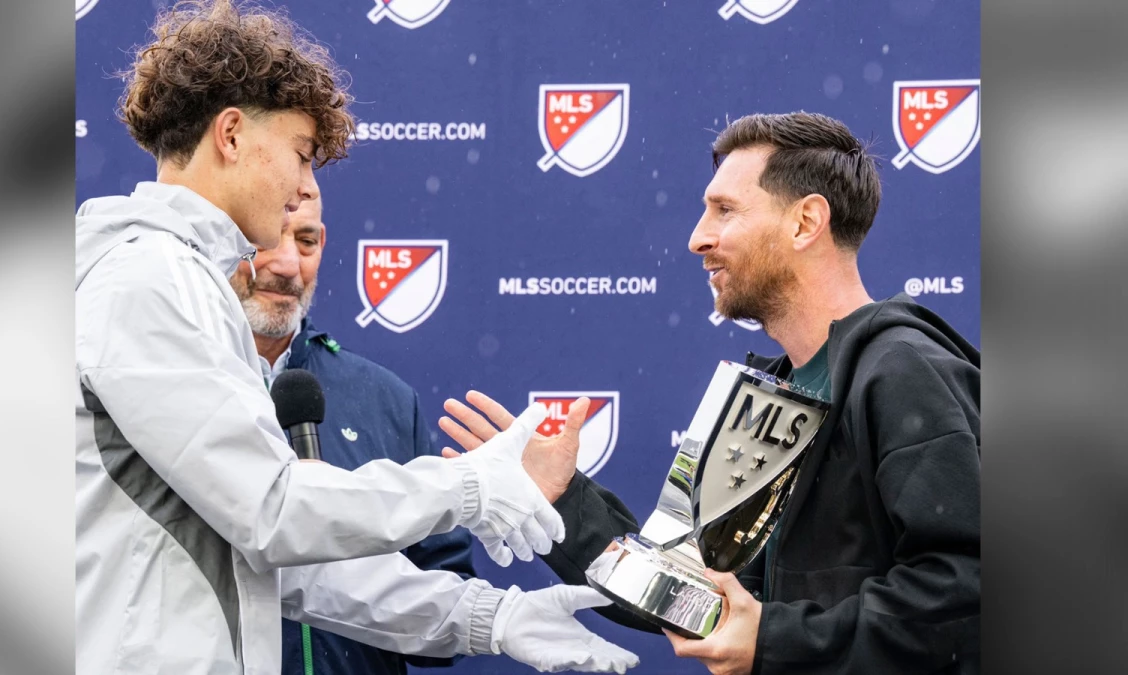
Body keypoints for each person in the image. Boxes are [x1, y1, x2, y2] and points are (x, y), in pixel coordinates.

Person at [74, 1, 638, 673]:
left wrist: (489, 615)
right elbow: (274, 508)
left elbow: (287, 562)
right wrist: (466, 486)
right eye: (302, 155)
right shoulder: (149, 277)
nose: (303, 187)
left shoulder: (182, 277)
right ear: (230, 134)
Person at [438, 112, 981, 675]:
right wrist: (560, 499)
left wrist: (779, 639)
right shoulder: (773, 395)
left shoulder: (902, 370)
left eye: (725, 210)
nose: (698, 238)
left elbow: (972, 590)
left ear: (805, 222)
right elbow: (698, 597)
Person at [228, 193, 478, 675]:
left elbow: (444, 594)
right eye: (263, 241)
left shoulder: (384, 397)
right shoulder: (177, 385)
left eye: (304, 241)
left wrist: (488, 619)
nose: (286, 264)